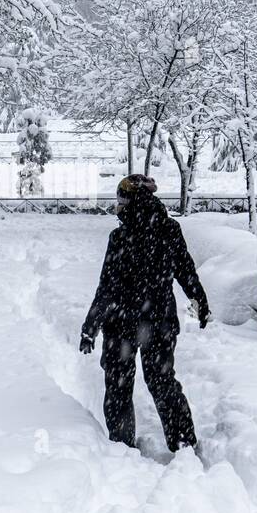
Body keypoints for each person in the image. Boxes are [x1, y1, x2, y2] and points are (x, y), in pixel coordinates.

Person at [80, 173, 210, 455]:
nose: (118, 207)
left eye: (121, 201)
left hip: (121, 323)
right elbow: (186, 271)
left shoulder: (121, 236)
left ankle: (122, 446)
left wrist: (91, 326)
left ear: (131, 201)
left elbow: (106, 288)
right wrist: (199, 301)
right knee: (162, 381)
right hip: (159, 321)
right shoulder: (168, 229)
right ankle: (184, 443)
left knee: (118, 384)